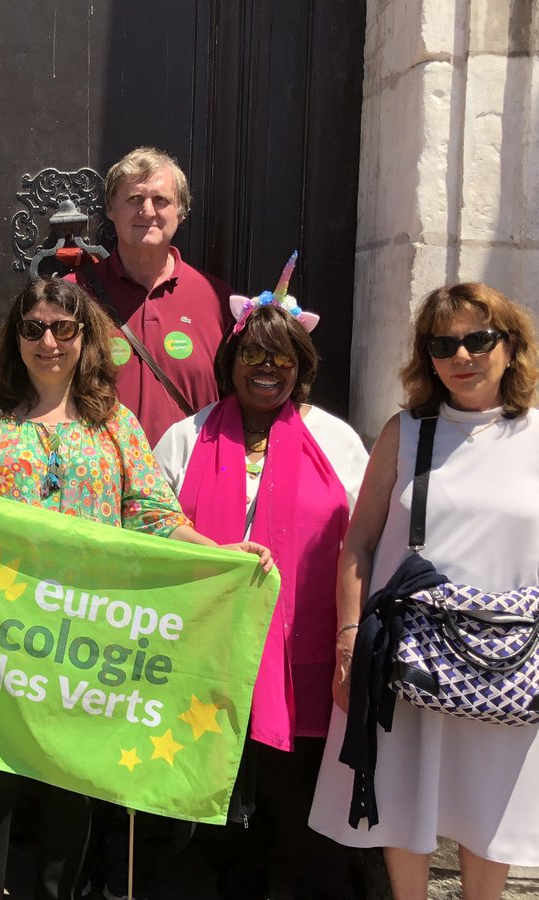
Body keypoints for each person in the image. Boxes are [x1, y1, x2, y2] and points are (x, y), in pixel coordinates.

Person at [0, 277, 271, 900]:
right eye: (33, 328)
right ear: (16, 338)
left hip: (85, 644)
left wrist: (216, 553)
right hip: (0, 642)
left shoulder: (112, 422)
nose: (48, 341)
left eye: (63, 328)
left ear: (84, 337)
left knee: (71, 793)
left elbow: (151, 511)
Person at [308, 283, 539, 899]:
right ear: (427, 357)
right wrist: (350, 638)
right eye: (443, 343)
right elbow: (357, 545)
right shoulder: (404, 432)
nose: (462, 355)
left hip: (507, 659)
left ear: (510, 346)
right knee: (404, 798)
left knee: (489, 809)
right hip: (409, 655)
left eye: (478, 339)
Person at [154, 277, 368, 899]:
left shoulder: (337, 443)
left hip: (301, 667)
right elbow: (152, 535)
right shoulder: (185, 438)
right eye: (252, 354)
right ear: (231, 361)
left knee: (297, 815)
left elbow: (365, 545)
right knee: (213, 829)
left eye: (281, 357)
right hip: (204, 661)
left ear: (300, 367)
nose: (266, 369)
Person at [66, 146, 232, 447]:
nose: (147, 210)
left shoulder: (217, 299)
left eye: (161, 200)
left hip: (189, 480)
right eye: (134, 199)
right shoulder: (73, 294)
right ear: (111, 209)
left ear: (180, 212)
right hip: (101, 479)